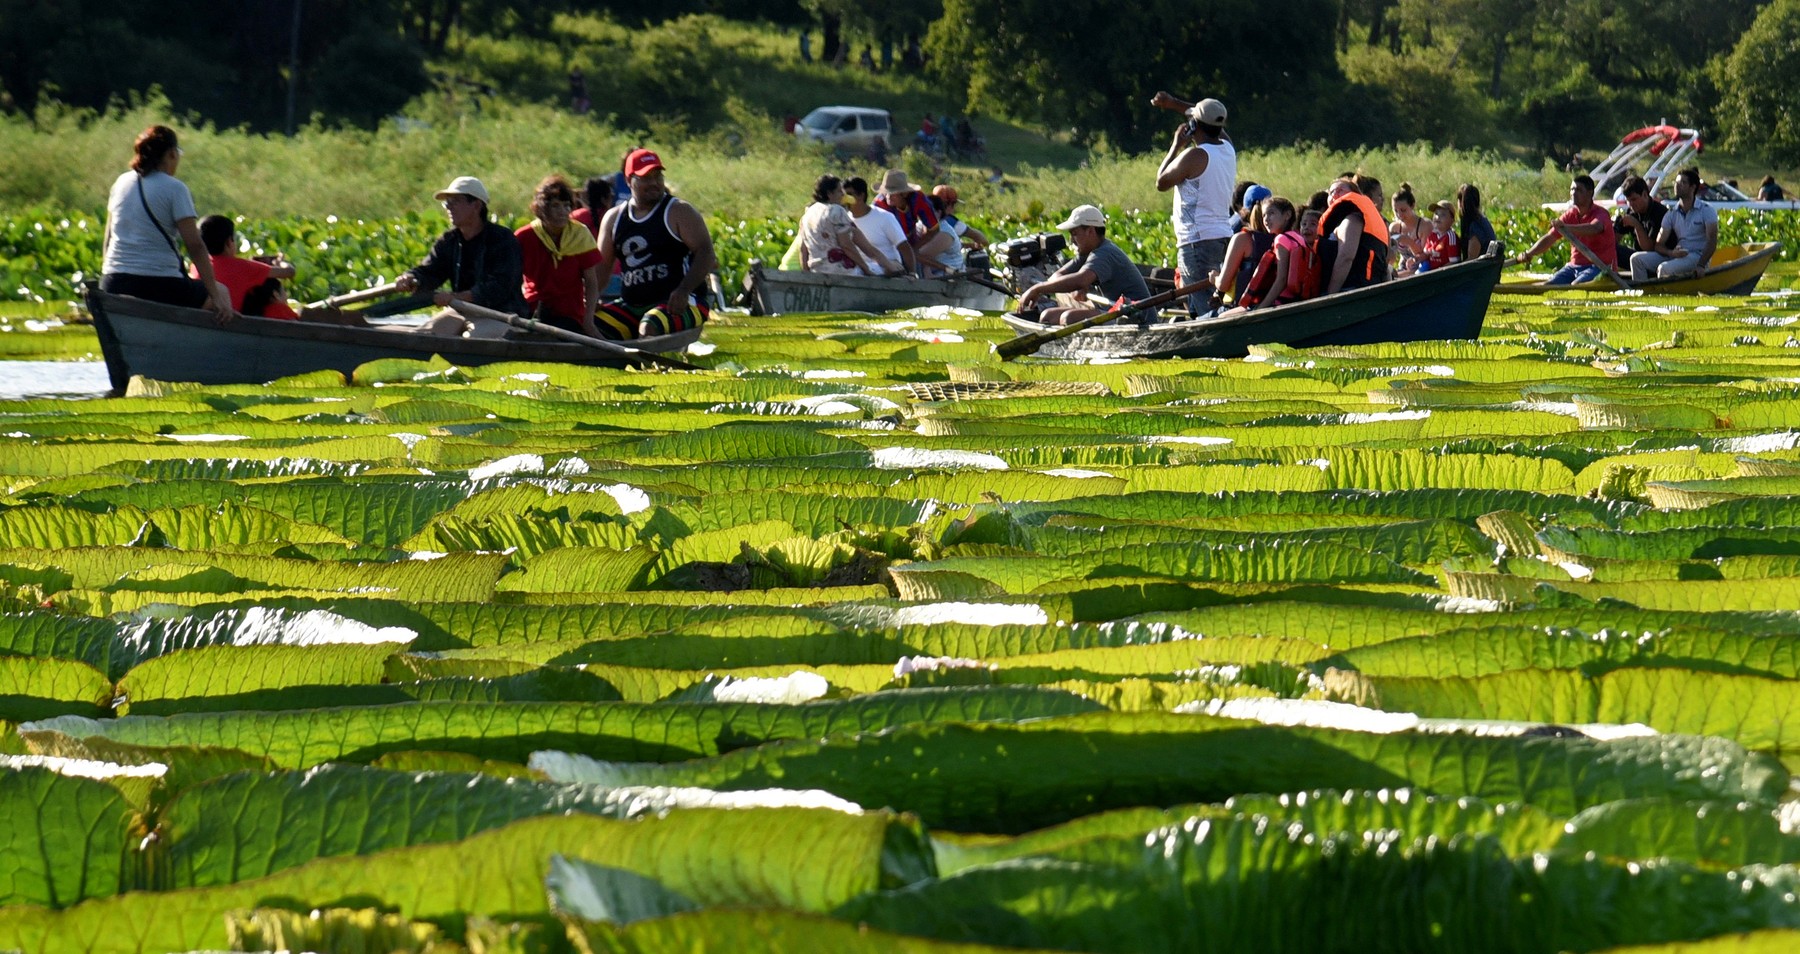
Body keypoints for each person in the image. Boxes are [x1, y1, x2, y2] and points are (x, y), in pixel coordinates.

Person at [100, 125, 233, 317]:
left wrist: (109, 276)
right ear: (171, 154)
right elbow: (195, 245)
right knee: (221, 291)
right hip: (160, 283)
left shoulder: (121, 182)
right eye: (178, 153)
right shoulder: (175, 188)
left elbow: (108, 238)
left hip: (114, 281)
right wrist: (216, 296)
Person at [593, 148, 717, 338]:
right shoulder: (614, 218)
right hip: (631, 306)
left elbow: (706, 253)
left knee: (649, 326)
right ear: (629, 181)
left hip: (680, 302)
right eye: (645, 178)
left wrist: (684, 290)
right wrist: (591, 298)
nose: (654, 183)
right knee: (589, 324)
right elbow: (602, 267)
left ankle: (648, 361)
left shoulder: (679, 211)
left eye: (657, 176)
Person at [395, 176, 526, 336]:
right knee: (425, 334)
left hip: (502, 314)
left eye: (455, 201)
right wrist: (411, 278)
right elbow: (431, 271)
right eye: (447, 203)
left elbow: (501, 285)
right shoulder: (449, 240)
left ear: (476, 205)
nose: (448, 207)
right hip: (462, 311)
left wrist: (457, 297)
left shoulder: (503, 240)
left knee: (471, 339)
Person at [1155, 97, 1235, 314]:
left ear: (1194, 126)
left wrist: (1175, 146)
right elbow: (1207, 119)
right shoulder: (1228, 148)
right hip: (1222, 236)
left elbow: (1161, 182)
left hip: (1197, 242)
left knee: (1204, 307)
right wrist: (1174, 104)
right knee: (1217, 299)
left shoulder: (1195, 154)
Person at [1016, 205, 1154, 326]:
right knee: (1047, 316)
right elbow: (1056, 276)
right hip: (1111, 311)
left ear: (1090, 231)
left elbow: (1081, 279)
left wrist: (1037, 289)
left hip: (1134, 317)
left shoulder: (1104, 253)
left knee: (1068, 318)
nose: (1071, 240)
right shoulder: (1086, 254)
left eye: (1075, 234)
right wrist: (1074, 287)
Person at [516, 175, 605, 339]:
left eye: (566, 206)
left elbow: (591, 282)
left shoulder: (579, 234)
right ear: (542, 209)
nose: (563, 212)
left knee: (558, 336)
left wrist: (589, 320)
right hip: (531, 309)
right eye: (556, 206)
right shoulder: (524, 237)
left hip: (569, 313)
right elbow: (510, 278)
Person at [1512, 174, 1617, 284]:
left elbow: (1595, 228)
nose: (1573, 193)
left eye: (1579, 190)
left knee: (1577, 285)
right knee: (1549, 285)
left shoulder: (1601, 213)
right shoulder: (1570, 215)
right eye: (1572, 189)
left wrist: (1566, 228)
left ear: (1590, 193)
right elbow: (1549, 238)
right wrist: (1529, 254)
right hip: (1573, 267)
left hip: (1599, 267)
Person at [194, 215, 298, 319]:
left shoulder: (196, 266)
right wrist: (279, 262)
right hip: (229, 324)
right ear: (229, 242)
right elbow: (289, 272)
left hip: (201, 319)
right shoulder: (243, 267)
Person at [1221, 197, 1313, 314]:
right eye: (1264, 215)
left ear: (1287, 215)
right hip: (1296, 298)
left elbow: (1282, 279)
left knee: (1223, 316)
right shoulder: (1298, 237)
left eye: (1271, 213)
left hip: (1281, 301)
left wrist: (1261, 309)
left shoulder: (1281, 239)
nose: (1266, 219)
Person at [1630, 167, 1717, 282]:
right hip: (1677, 255)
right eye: (1676, 182)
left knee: (1664, 268)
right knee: (1636, 259)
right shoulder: (1672, 213)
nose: (1677, 185)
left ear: (1693, 187)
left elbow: (1712, 240)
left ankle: (1662, 297)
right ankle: (1642, 294)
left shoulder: (1706, 210)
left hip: (1697, 256)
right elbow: (1658, 245)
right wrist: (1671, 253)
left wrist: (1701, 265)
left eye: (1683, 182)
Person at [800, 174, 897, 276]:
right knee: (885, 269)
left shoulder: (807, 215)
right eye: (839, 191)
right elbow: (846, 245)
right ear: (829, 193)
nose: (843, 194)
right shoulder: (836, 211)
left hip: (817, 272)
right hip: (843, 271)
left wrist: (807, 275)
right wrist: (866, 269)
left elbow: (803, 250)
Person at [875, 169, 956, 274]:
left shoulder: (918, 199)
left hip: (909, 241)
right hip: (886, 246)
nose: (888, 196)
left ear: (904, 194)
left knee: (914, 272)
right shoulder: (879, 204)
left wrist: (914, 249)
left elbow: (933, 229)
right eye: (886, 193)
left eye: (893, 193)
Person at [1318, 176, 1390, 293]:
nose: (1335, 194)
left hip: (1350, 289)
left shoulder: (1352, 220)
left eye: (1340, 190)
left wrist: (1330, 295)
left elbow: (1346, 258)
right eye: (1331, 192)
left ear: (1354, 193)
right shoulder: (1338, 223)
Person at [846, 176, 914, 275]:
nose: (845, 199)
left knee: (857, 272)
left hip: (888, 266)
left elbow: (904, 247)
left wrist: (912, 273)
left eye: (849, 194)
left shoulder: (884, 217)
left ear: (861, 195)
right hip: (861, 266)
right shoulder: (845, 219)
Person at [1212, 194, 1272, 306]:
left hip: (1241, 308)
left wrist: (1214, 278)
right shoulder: (1281, 239)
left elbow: (1223, 285)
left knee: (1201, 317)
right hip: (1272, 304)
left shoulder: (1242, 239)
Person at [928, 185, 989, 274]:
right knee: (980, 264)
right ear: (949, 205)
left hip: (929, 269)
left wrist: (965, 245)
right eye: (954, 204)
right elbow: (982, 240)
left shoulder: (924, 220)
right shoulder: (952, 223)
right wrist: (974, 245)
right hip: (947, 271)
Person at [1612, 175, 1668, 266]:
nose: (1631, 204)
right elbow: (1614, 239)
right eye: (1628, 201)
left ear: (1645, 194)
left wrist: (1637, 226)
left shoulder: (1659, 213)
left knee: (1632, 257)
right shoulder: (1632, 211)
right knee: (1610, 248)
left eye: (1634, 199)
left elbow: (1649, 248)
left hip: (1659, 258)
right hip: (1639, 257)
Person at [1389, 183, 1427, 274]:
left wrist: (1409, 242)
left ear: (1412, 206)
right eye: (1396, 211)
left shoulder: (1424, 225)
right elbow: (1390, 257)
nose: (1399, 215)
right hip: (1404, 267)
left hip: (1423, 268)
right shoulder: (1395, 227)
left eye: (1403, 210)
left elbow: (1426, 256)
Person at [1416, 201, 1460, 273]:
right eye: (1436, 213)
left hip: (1442, 274)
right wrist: (1416, 259)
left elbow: (1454, 263)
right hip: (1429, 268)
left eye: (1443, 215)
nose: (1438, 217)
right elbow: (1426, 254)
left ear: (1452, 220)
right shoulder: (1433, 235)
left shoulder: (1450, 236)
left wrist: (1436, 273)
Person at [1456, 183, 1495, 261]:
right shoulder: (1483, 220)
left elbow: (1472, 259)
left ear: (1460, 203)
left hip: (1481, 271)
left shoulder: (1475, 226)